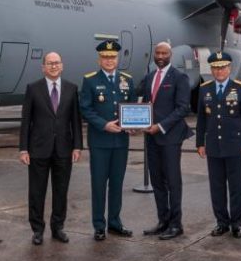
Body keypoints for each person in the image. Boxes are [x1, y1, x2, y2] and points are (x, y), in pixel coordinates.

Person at [19, 52, 82, 245]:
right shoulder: (33, 89)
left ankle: (58, 228)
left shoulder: (71, 88)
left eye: (56, 63)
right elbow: (26, 121)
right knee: (36, 192)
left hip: (64, 149)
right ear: (43, 67)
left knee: (61, 191)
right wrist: (23, 149)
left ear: (62, 66)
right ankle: (37, 230)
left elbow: (75, 120)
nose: (53, 66)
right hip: (38, 149)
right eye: (50, 63)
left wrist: (77, 146)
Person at [79, 39, 137, 241]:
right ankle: (98, 225)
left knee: (117, 184)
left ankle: (114, 222)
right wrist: (104, 125)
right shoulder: (90, 80)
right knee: (98, 184)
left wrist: (132, 124)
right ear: (99, 59)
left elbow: (132, 106)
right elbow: (85, 109)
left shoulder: (127, 80)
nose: (109, 60)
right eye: (105, 57)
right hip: (100, 142)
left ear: (117, 58)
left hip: (120, 142)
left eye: (112, 57)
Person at [196, 51, 241, 238]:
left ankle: (236, 224)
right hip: (213, 146)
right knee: (217, 187)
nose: (219, 71)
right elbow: (201, 119)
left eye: (222, 67)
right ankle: (221, 223)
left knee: (236, 187)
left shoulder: (240, 88)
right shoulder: (204, 89)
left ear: (229, 68)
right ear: (211, 70)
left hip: (234, 146)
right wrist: (200, 143)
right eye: (215, 68)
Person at [141, 42, 192, 240]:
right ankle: (163, 221)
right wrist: (136, 122)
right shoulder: (149, 77)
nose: (160, 56)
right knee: (157, 181)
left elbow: (183, 108)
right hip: (151, 137)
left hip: (170, 137)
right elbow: (145, 103)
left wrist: (161, 126)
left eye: (164, 53)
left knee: (172, 181)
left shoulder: (179, 77)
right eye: (158, 53)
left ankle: (176, 224)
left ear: (170, 55)